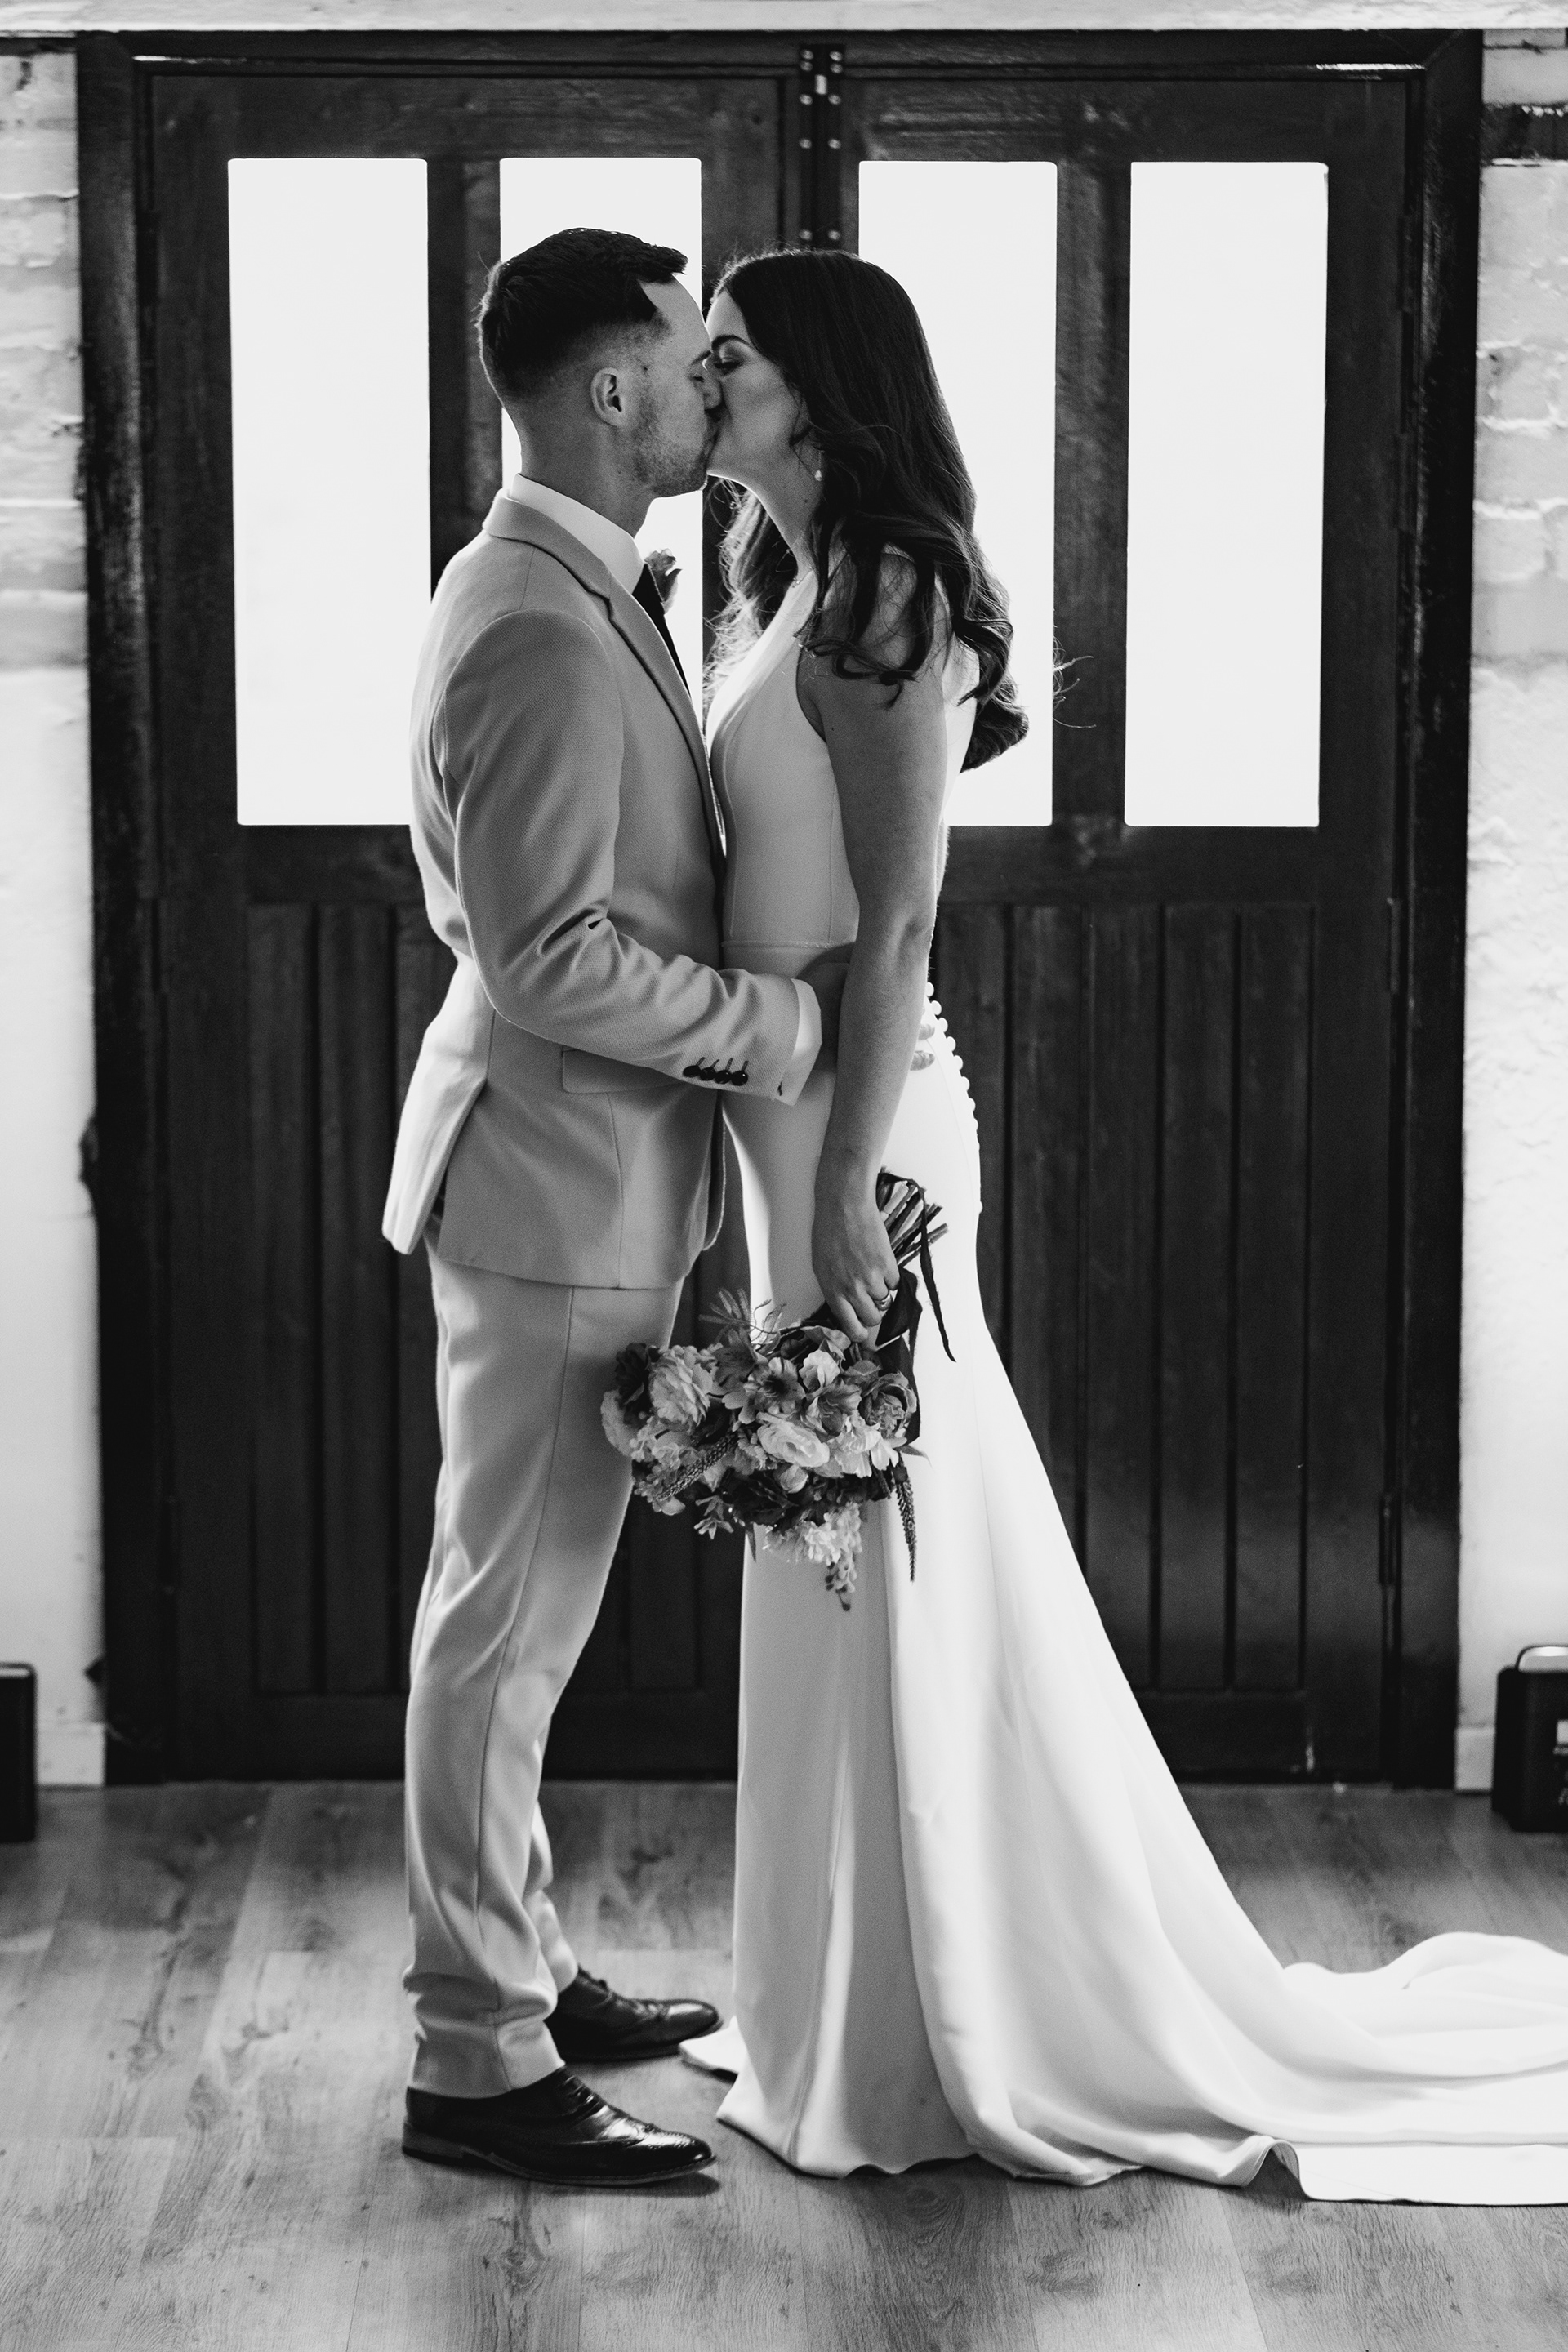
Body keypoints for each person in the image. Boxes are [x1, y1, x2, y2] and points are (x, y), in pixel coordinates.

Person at [682, 245, 1568, 2202]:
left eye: (732, 359)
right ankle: (841, 1980)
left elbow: (898, 923)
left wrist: (838, 1177)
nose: (704, 385)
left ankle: (964, 1998)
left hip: (861, 1121)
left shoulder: (887, 589)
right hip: (780, 1117)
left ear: (821, 386)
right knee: (835, 1546)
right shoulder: (775, 580)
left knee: (896, 1529)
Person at [382, 228, 850, 2188]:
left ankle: (528, 1969)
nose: (707, 390)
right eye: (685, 358)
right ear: (608, 391)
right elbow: (552, 954)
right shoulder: (538, 621)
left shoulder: (558, 581)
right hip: (554, 1185)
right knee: (501, 1632)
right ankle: (477, 2062)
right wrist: (779, 1027)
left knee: (512, 1619)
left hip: (571, 1165)